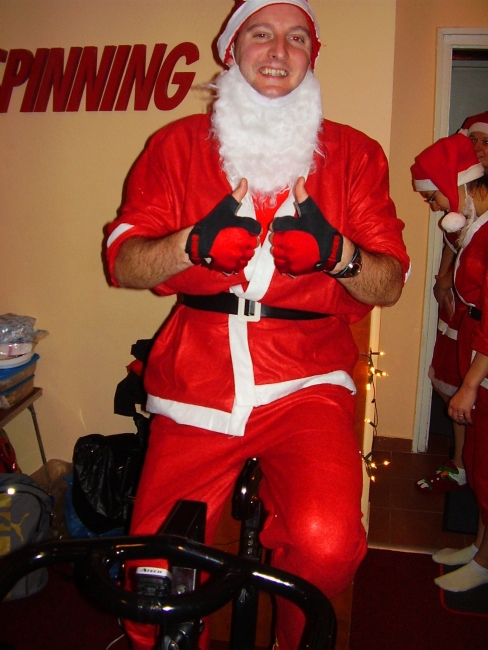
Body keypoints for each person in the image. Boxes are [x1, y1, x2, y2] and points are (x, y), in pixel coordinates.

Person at [104, 1, 410, 647]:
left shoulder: (355, 154)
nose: (278, 51)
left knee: (328, 543)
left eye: (296, 38)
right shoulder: (176, 145)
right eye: (261, 34)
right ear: (231, 48)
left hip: (309, 380)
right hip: (197, 378)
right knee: (153, 575)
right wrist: (191, 245)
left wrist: (338, 255)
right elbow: (124, 263)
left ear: (312, 56)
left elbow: (389, 284)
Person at [411, 133, 488, 593]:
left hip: (485, 362)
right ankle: (480, 547)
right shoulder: (476, 228)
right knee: (478, 461)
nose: (433, 206)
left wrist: (471, 382)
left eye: (433, 196)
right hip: (476, 353)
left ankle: (486, 562)